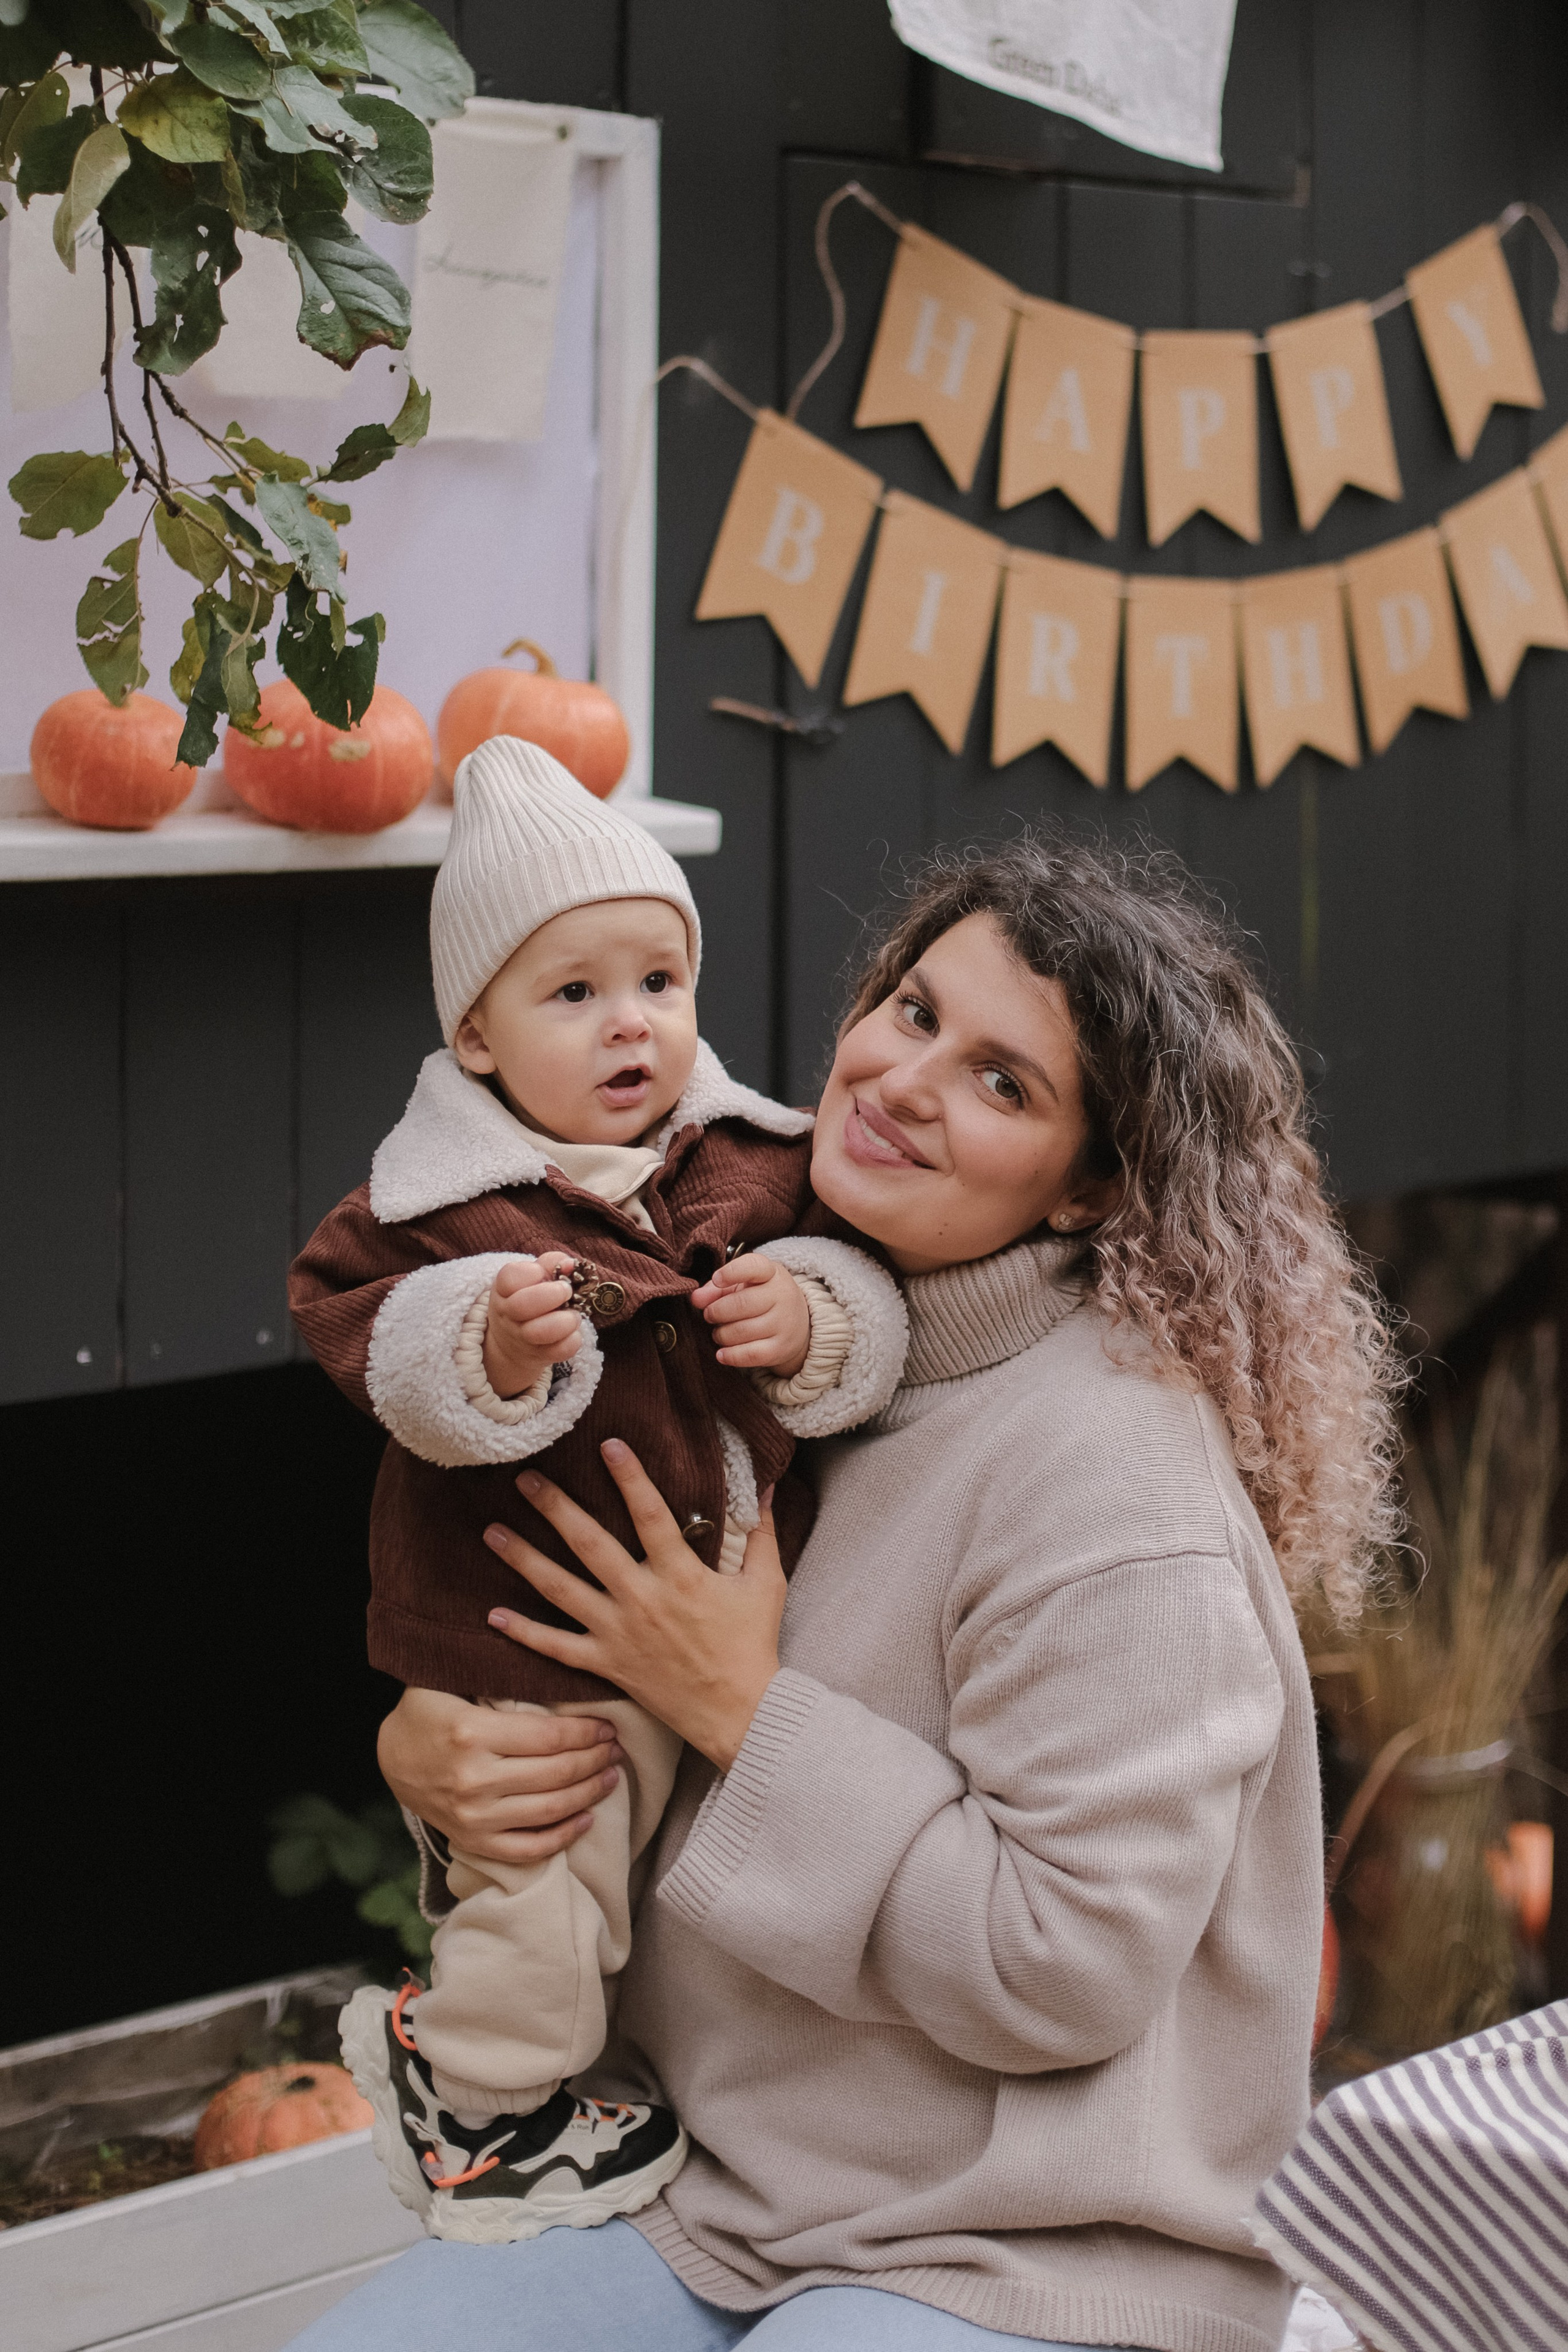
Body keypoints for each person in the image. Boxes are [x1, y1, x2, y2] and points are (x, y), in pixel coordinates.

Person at [288, 835, 1401, 2352]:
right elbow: (584, 1699)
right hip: (709, 2197)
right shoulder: (757, 1342)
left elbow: (1060, 1966)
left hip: (1024, 2244)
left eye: (1002, 1082)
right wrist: (442, 1762)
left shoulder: (1114, 1484)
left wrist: (742, 1710)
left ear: (1087, 1187)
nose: (902, 1080)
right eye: (912, 1009)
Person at [289, 737, 907, 2244]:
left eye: (657, 981)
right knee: (543, 1874)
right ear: (477, 1037)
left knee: (622, 1878)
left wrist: (812, 1320)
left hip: (702, 1608)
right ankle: (483, 2101)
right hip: (523, 1630)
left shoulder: (750, 1161)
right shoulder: (436, 1211)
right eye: (572, 994)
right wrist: (487, 1343)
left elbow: (860, 1290)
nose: (630, 1022)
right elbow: (364, 1335)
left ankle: (537, 2077)